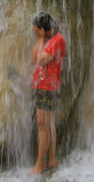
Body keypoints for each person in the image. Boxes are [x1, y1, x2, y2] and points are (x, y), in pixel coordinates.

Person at [30, 11, 66, 174]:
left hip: (47, 87)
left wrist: (40, 38)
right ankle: (51, 160)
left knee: (42, 125)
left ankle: (40, 164)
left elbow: (41, 59)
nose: (34, 32)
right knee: (49, 124)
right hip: (46, 86)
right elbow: (33, 58)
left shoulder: (57, 40)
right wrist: (41, 38)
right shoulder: (52, 39)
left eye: (36, 30)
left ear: (43, 30)